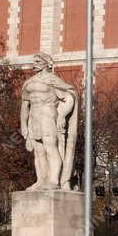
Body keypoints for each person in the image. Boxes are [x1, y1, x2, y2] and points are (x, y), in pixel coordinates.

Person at [20, 53, 78, 190]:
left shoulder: (53, 80)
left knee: (50, 147)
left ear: (46, 63)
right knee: (38, 151)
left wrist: (63, 115)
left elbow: (69, 97)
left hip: (48, 114)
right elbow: (24, 105)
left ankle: (54, 180)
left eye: (38, 60)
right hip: (34, 116)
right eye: (34, 60)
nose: (34, 62)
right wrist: (23, 124)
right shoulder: (28, 82)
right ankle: (41, 179)